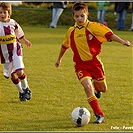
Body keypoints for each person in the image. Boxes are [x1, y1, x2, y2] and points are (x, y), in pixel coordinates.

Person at [55, 2, 131, 124]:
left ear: (87, 14)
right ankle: (99, 114)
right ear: (73, 16)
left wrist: (122, 41)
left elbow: (109, 35)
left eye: (82, 16)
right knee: (87, 87)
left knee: (103, 89)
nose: (79, 18)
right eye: (77, 16)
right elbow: (65, 46)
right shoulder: (71, 31)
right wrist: (59, 59)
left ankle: (97, 86)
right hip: (80, 65)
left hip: (94, 64)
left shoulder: (94, 27)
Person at [0, 2, 32, 102]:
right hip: (5, 55)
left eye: (4, 12)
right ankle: (21, 92)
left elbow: (18, 32)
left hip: (16, 50)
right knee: (13, 75)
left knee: (19, 71)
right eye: (0, 13)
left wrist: (25, 40)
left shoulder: (13, 23)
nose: (2, 15)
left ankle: (26, 88)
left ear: (9, 13)